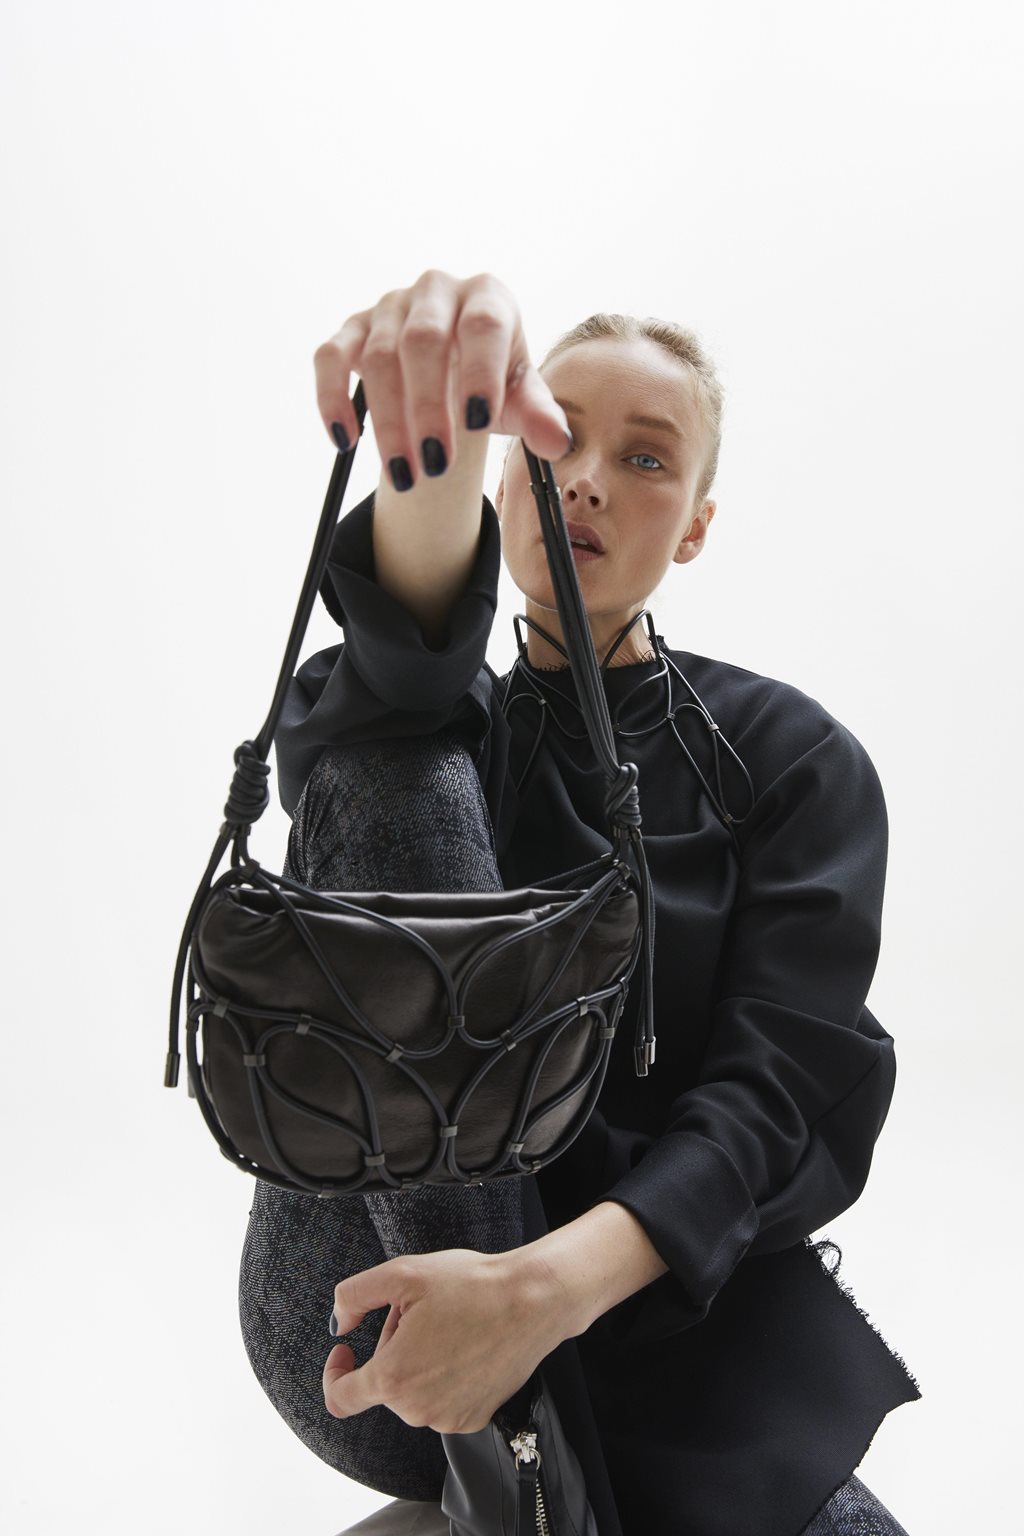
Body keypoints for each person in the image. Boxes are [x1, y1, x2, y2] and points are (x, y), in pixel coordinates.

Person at [237, 270, 921, 1536]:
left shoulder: (790, 760)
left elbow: (774, 1099)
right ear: (504, 480)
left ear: (697, 526)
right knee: (396, 755)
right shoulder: (439, 736)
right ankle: (527, 1462)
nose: (588, 480)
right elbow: (401, 690)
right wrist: (438, 439)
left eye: (645, 458)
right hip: (366, 1311)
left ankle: (525, 1476)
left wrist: (539, 1295)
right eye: (554, 446)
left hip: (651, 1327)